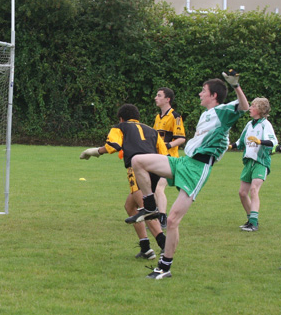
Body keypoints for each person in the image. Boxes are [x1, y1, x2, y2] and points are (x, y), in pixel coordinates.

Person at [127, 70, 249, 279]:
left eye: (204, 91)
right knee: (138, 160)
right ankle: (149, 206)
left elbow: (244, 107)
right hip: (183, 161)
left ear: (214, 96)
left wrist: (236, 85)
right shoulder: (207, 114)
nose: (200, 94)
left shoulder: (222, 111)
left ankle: (164, 267)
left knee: (173, 221)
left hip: (197, 169)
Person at [79, 104, 168, 260]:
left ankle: (165, 246)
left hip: (138, 171)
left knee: (146, 210)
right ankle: (146, 248)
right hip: (156, 170)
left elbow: (113, 146)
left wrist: (92, 152)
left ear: (121, 118)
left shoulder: (120, 127)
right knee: (130, 206)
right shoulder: (151, 130)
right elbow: (164, 154)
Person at [229, 97, 278, 232]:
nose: (250, 108)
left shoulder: (265, 124)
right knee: (242, 193)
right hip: (248, 162)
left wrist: (260, 141)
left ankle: (254, 223)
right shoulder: (249, 124)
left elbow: (273, 142)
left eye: (253, 106)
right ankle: (250, 219)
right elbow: (240, 142)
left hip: (261, 162)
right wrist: (229, 146)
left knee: (254, 190)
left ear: (260, 110)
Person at [153, 87, 186, 228]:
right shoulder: (158, 117)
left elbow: (181, 138)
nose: (155, 97)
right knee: (151, 187)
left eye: (159, 95)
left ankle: (162, 218)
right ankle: (155, 215)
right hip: (157, 159)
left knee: (159, 188)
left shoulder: (175, 117)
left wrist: (167, 145)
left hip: (169, 159)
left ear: (168, 99)